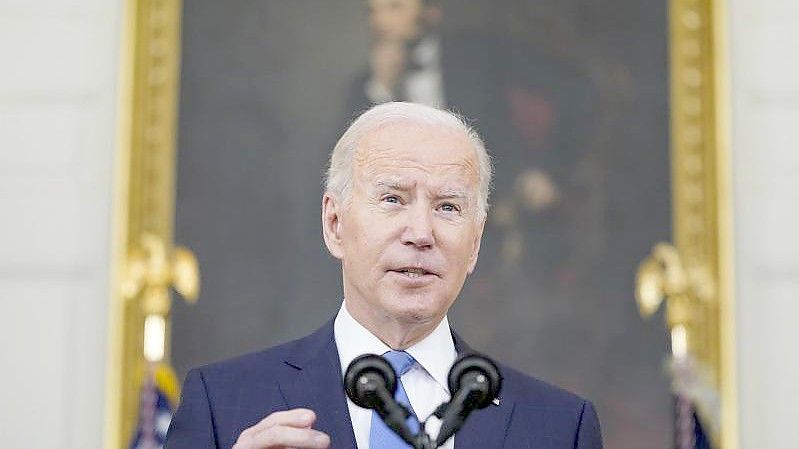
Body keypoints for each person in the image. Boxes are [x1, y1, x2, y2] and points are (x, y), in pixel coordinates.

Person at [164, 102, 602, 449]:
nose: (421, 233)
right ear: (335, 224)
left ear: (475, 244)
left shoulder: (560, 427)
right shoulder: (223, 404)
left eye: (447, 207)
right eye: (393, 199)